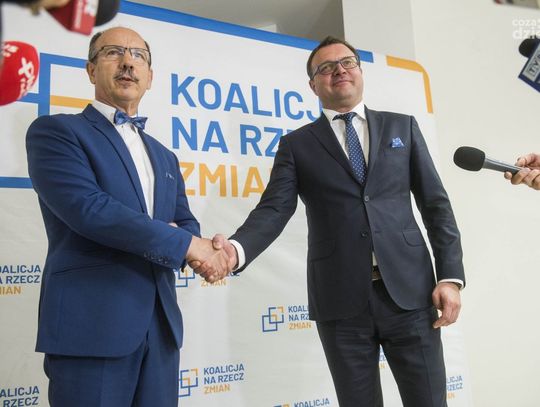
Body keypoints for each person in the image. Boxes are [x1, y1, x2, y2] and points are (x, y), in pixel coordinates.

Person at [200, 36, 465, 407]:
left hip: (411, 294)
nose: (339, 70)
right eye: (326, 68)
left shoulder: (402, 128)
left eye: (347, 62)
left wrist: (450, 277)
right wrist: (235, 250)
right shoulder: (297, 145)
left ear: (360, 71)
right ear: (313, 85)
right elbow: (274, 210)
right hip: (341, 303)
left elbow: (436, 206)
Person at [26, 27, 231, 407]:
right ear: (91, 69)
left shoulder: (165, 155)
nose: (127, 62)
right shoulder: (56, 132)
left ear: (150, 77)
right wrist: (189, 244)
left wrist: (198, 244)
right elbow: (90, 210)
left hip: (161, 329)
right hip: (91, 326)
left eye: (139, 56)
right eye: (113, 52)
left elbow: (185, 222)